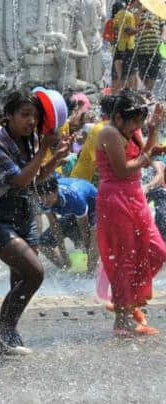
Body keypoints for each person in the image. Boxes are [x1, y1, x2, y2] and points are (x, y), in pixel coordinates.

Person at [0, 89, 69, 355]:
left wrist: (54, 160)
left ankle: (6, 336)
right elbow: (18, 180)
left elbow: (34, 177)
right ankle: (3, 332)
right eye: (25, 115)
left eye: (35, 116)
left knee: (20, 278)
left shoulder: (29, 140)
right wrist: (44, 148)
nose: (31, 121)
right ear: (9, 116)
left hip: (25, 216)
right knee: (35, 273)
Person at [95, 93, 166, 336]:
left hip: (135, 195)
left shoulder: (130, 130)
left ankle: (127, 302)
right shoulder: (109, 133)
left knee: (157, 250)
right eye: (135, 121)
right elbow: (123, 169)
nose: (138, 126)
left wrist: (154, 129)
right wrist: (148, 156)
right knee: (124, 257)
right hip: (114, 198)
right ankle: (122, 320)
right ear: (117, 117)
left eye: (140, 121)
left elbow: (144, 155)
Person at [36, 176, 99, 272]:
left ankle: (91, 273)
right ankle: (65, 268)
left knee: (93, 240)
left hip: (96, 209)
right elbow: (55, 226)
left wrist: (87, 252)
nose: (44, 199)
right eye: (41, 195)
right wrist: (64, 255)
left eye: (47, 195)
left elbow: (84, 228)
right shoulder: (42, 201)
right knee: (42, 244)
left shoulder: (74, 198)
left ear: (56, 190)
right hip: (74, 213)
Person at [70, 95, 115, 184]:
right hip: (81, 181)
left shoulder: (109, 128)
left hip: (87, 181)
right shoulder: (101, 129)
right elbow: (98, 162)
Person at [133, 5, 165, 91]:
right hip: (141, 50)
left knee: (152, 78)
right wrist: (140, 10)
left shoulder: (157, 10)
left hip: (155, 49)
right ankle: (146, 97)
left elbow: (163, 26)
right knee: (143, 78)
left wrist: (162, 38)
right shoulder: (136, 11)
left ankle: (148, 95)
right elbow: (132, 28)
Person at [111, 1, 139, 93]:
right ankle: (131, 93)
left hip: (120, 47)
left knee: (119, 73)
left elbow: (115, 31)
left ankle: (117, 93)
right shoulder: (129, 15)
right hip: (129, 47)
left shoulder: (118, 14)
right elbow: (128, 30)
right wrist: (139, 30)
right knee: (131, 72)